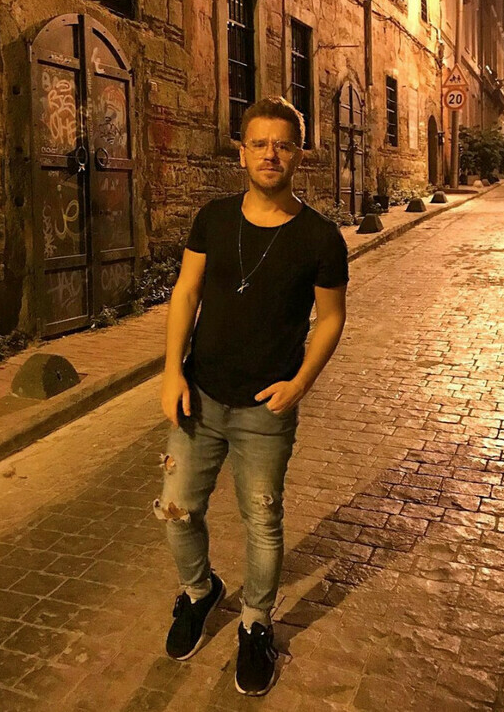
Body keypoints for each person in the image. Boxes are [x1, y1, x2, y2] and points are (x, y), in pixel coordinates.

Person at [155, 96, 349, 696]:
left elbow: (331, 318)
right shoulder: (213, 219)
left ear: (298, 154)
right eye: (259, 143)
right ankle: (199, 591)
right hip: (200, 395)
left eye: (282, 145)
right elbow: (186, 293)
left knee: (262, 519)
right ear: (241, 152)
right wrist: (171, 371)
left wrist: (301, 382)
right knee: (176, 509)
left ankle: (256, 623)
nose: (270, 154)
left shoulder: (320, 238)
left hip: (266, 409)